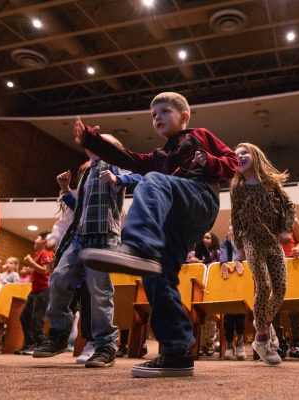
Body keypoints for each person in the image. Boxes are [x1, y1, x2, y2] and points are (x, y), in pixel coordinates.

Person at [73, 92, 237, 377]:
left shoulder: (199, 135)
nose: (157, 118)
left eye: (163, 111)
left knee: (152, 182)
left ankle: (138, 246)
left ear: (184, 116)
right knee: (157, 275)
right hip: (176, 220)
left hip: (200, 198)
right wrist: (93, 141)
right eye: (153, 115)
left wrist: (209, 161)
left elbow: (232, 162)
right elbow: (130, 159)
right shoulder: (160, 156)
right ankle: (176, 353)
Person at [33, 136, 141, 369]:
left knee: (98, 292)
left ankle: (105, 345)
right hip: (79, 236)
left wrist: (118, 178)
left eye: (103, 141)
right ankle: (59, 334)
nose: (96, 142)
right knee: (59, 278)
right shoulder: (88, 171)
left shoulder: (114, 162)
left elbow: (140, 176)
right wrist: (65, 189)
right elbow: (79, 208)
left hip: (103, 235)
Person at [230, 142, 296, 366]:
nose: (239, 156)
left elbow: (289, 206)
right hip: (251, 241)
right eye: (235, 154)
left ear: (256, 155)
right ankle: (262, 337)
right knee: (264, 285)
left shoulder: (271, 184)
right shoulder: (237, 188)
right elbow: (235, 218)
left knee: (280, 289)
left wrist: (286, 228)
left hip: (273, 241)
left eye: (244, 152)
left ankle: (265, 323)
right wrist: (239, 246)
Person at [15, 231, 54, 355]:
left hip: (44, 288)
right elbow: (38, 270)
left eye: (37, 238)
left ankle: (41, 343)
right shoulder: (38, 254)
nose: (34, 241)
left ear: (44, 241)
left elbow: (45, 271)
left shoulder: (46, 253)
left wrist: (30, 262)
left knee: (37, 318)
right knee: (25, 316)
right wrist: (29, 271)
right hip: (35, 289)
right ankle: (30, 343)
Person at [274, 217, 299, 359]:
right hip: (273, 264)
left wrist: (297, 249)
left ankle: (297, 342)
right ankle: (279, 343)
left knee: (294, 305)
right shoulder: (266, 220)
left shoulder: (293, 220)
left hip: (290, 265)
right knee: (274, 306)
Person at [187, 232, 220, 356]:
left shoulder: (217, 253)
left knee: (209, 316)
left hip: (211, 288)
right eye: (203, 237)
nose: (205, 240)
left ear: (213, 240)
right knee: (196, 316)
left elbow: (215, 267)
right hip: (196, 288)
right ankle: (199, 345)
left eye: (208, 237)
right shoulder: (192, 253)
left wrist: (200, 262)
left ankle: (209, 343)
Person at [219, 225, 246, 361]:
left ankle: (240, 342)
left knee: (240, 314)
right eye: (229, 229)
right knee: (228, 316)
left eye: (234, 229)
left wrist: (237, 261)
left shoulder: (244, 243)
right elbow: (223, 253)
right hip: (227, 283)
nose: (231, 231)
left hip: (240, 283)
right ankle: (229, 344)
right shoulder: (224, 243)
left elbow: (241, 254)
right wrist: (224, 262)